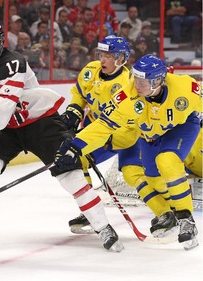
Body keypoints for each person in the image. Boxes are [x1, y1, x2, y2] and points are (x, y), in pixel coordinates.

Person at [0, 21, 124, 252]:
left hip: (40, 122)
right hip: (6, 130)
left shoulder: (12, 63)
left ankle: (103, 226)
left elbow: (1, 110)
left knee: (70, 174)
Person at [55, 54, 201, 250]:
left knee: (167, 161)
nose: (137, 85)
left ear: (158, 80)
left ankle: (186, 219)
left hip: (181, 127)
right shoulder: (126, 97)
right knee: (153, 179)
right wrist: (75, 146)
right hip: (149, 135)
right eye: (136, 78)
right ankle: (170, 214)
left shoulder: (185, 88)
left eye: (143, 81)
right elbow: (103, 126)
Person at [60, 36, 144, 234]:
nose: (103, 59)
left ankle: (166, 213)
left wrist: (97, 136)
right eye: (101, 54)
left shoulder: (129, 84)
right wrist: (74, 111)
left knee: (136, 177)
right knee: (76, 161)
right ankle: (90, 211)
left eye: (109, 56)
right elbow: (80, 95)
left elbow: (130, 118)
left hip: (127, 135)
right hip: (100, 131)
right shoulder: (91, 71)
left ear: (122, 58)